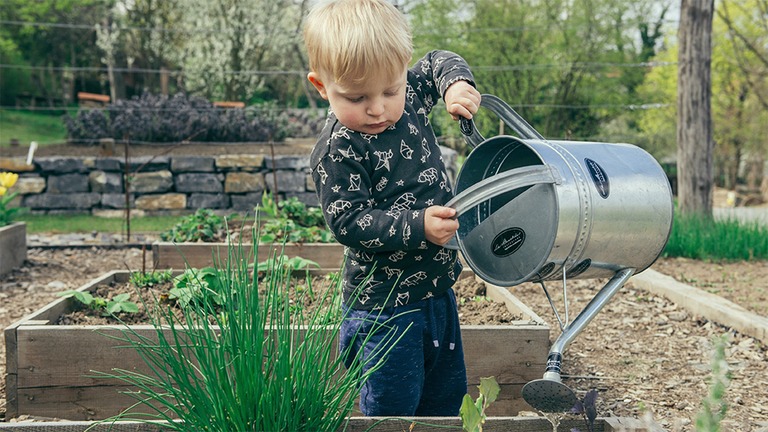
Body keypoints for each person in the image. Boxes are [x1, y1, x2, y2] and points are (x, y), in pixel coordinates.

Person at [302, 0, 481, 417]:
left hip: (438, 290)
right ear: (321, 86)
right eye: (356, 96)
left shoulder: (412, 96)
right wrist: (417, 225)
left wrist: (454, 84)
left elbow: (439, 60)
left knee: (444, 397)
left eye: (390, 90)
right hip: (384, 307)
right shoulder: (338, 150)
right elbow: (348, 220)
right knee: (394, 408)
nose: (378, 107)